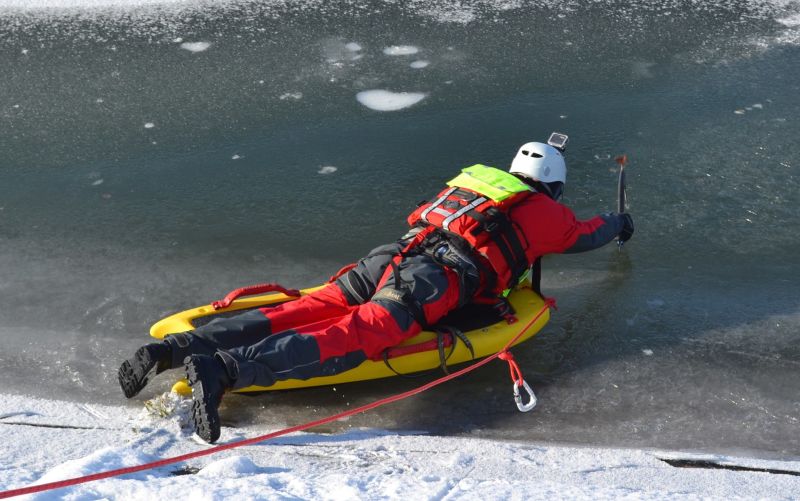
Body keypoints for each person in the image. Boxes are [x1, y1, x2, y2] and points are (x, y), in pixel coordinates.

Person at [118, 136, 634, 443]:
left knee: (309, 306)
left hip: (391, 256)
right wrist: (620, 222)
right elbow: (585, 235)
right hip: (432, 278)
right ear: (554, 186)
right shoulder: (545, 210)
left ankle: (173, 349)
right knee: (363, 333)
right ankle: (225, 369)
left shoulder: (476, 184)